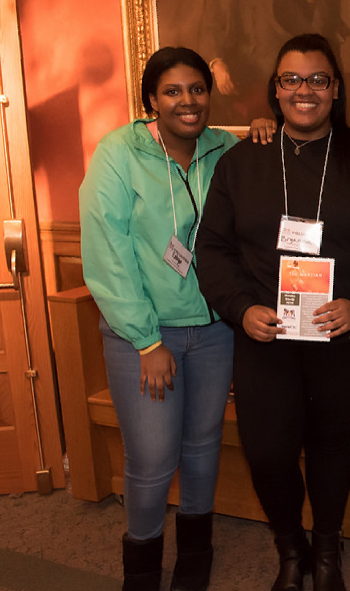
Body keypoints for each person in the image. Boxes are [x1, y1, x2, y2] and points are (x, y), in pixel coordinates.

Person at [194, 33, 350, 591]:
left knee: (327, 440)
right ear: (275, 91)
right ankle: (289, 545)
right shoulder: (242, 161)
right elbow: (213, 249)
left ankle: (326, 550)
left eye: (318, 79)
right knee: (267, 450)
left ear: (335, 89)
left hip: (338, 333)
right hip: (263, 334)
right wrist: (241, 308)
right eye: (291, 80)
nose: (305, 91)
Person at [79, 47, 239, 591]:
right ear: (151, 99)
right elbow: (107, 253)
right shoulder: (118, 154)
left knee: (202, 447)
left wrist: (268, 128)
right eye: (172, 91)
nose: (187, 101)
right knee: (151, 459)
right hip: (143, 338)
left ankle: (196, 558)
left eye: (196, 89)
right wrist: (147, 343)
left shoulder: (227, 149)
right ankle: (142, 570)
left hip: (215, 331)